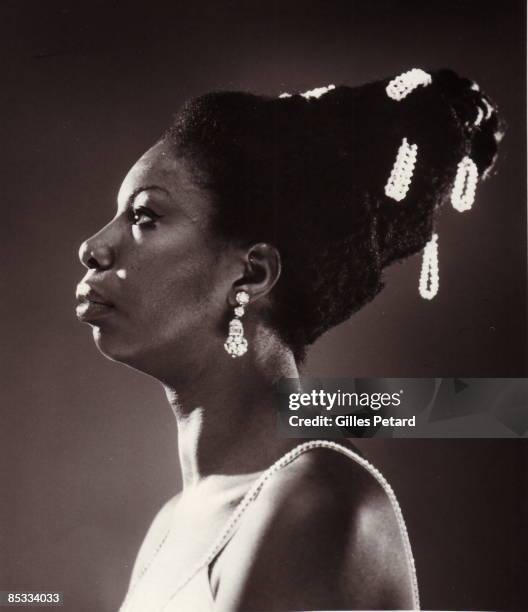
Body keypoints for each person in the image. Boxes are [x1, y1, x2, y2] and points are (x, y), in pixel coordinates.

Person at [76, 68, 502, 611]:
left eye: (144, 217)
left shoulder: (313, 503)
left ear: (252, 274)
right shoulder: (175, 523)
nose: (93, 247)